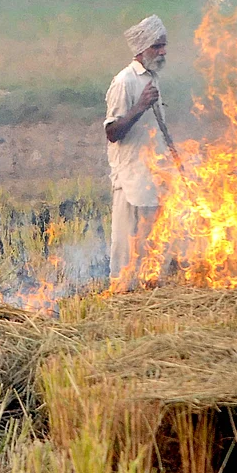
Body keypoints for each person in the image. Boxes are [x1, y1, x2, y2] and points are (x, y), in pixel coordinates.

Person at [103, 14, 169, 289]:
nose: (163, 51)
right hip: (130, 179)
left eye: (164, 45)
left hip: (152, 177)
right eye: (157, 46)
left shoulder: (151, 78)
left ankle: (147, 293)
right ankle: (120, 296)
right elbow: (112, 132)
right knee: (125, 247)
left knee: (150, 246)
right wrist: (139, 107)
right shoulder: (124, 82)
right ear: (142, 49)